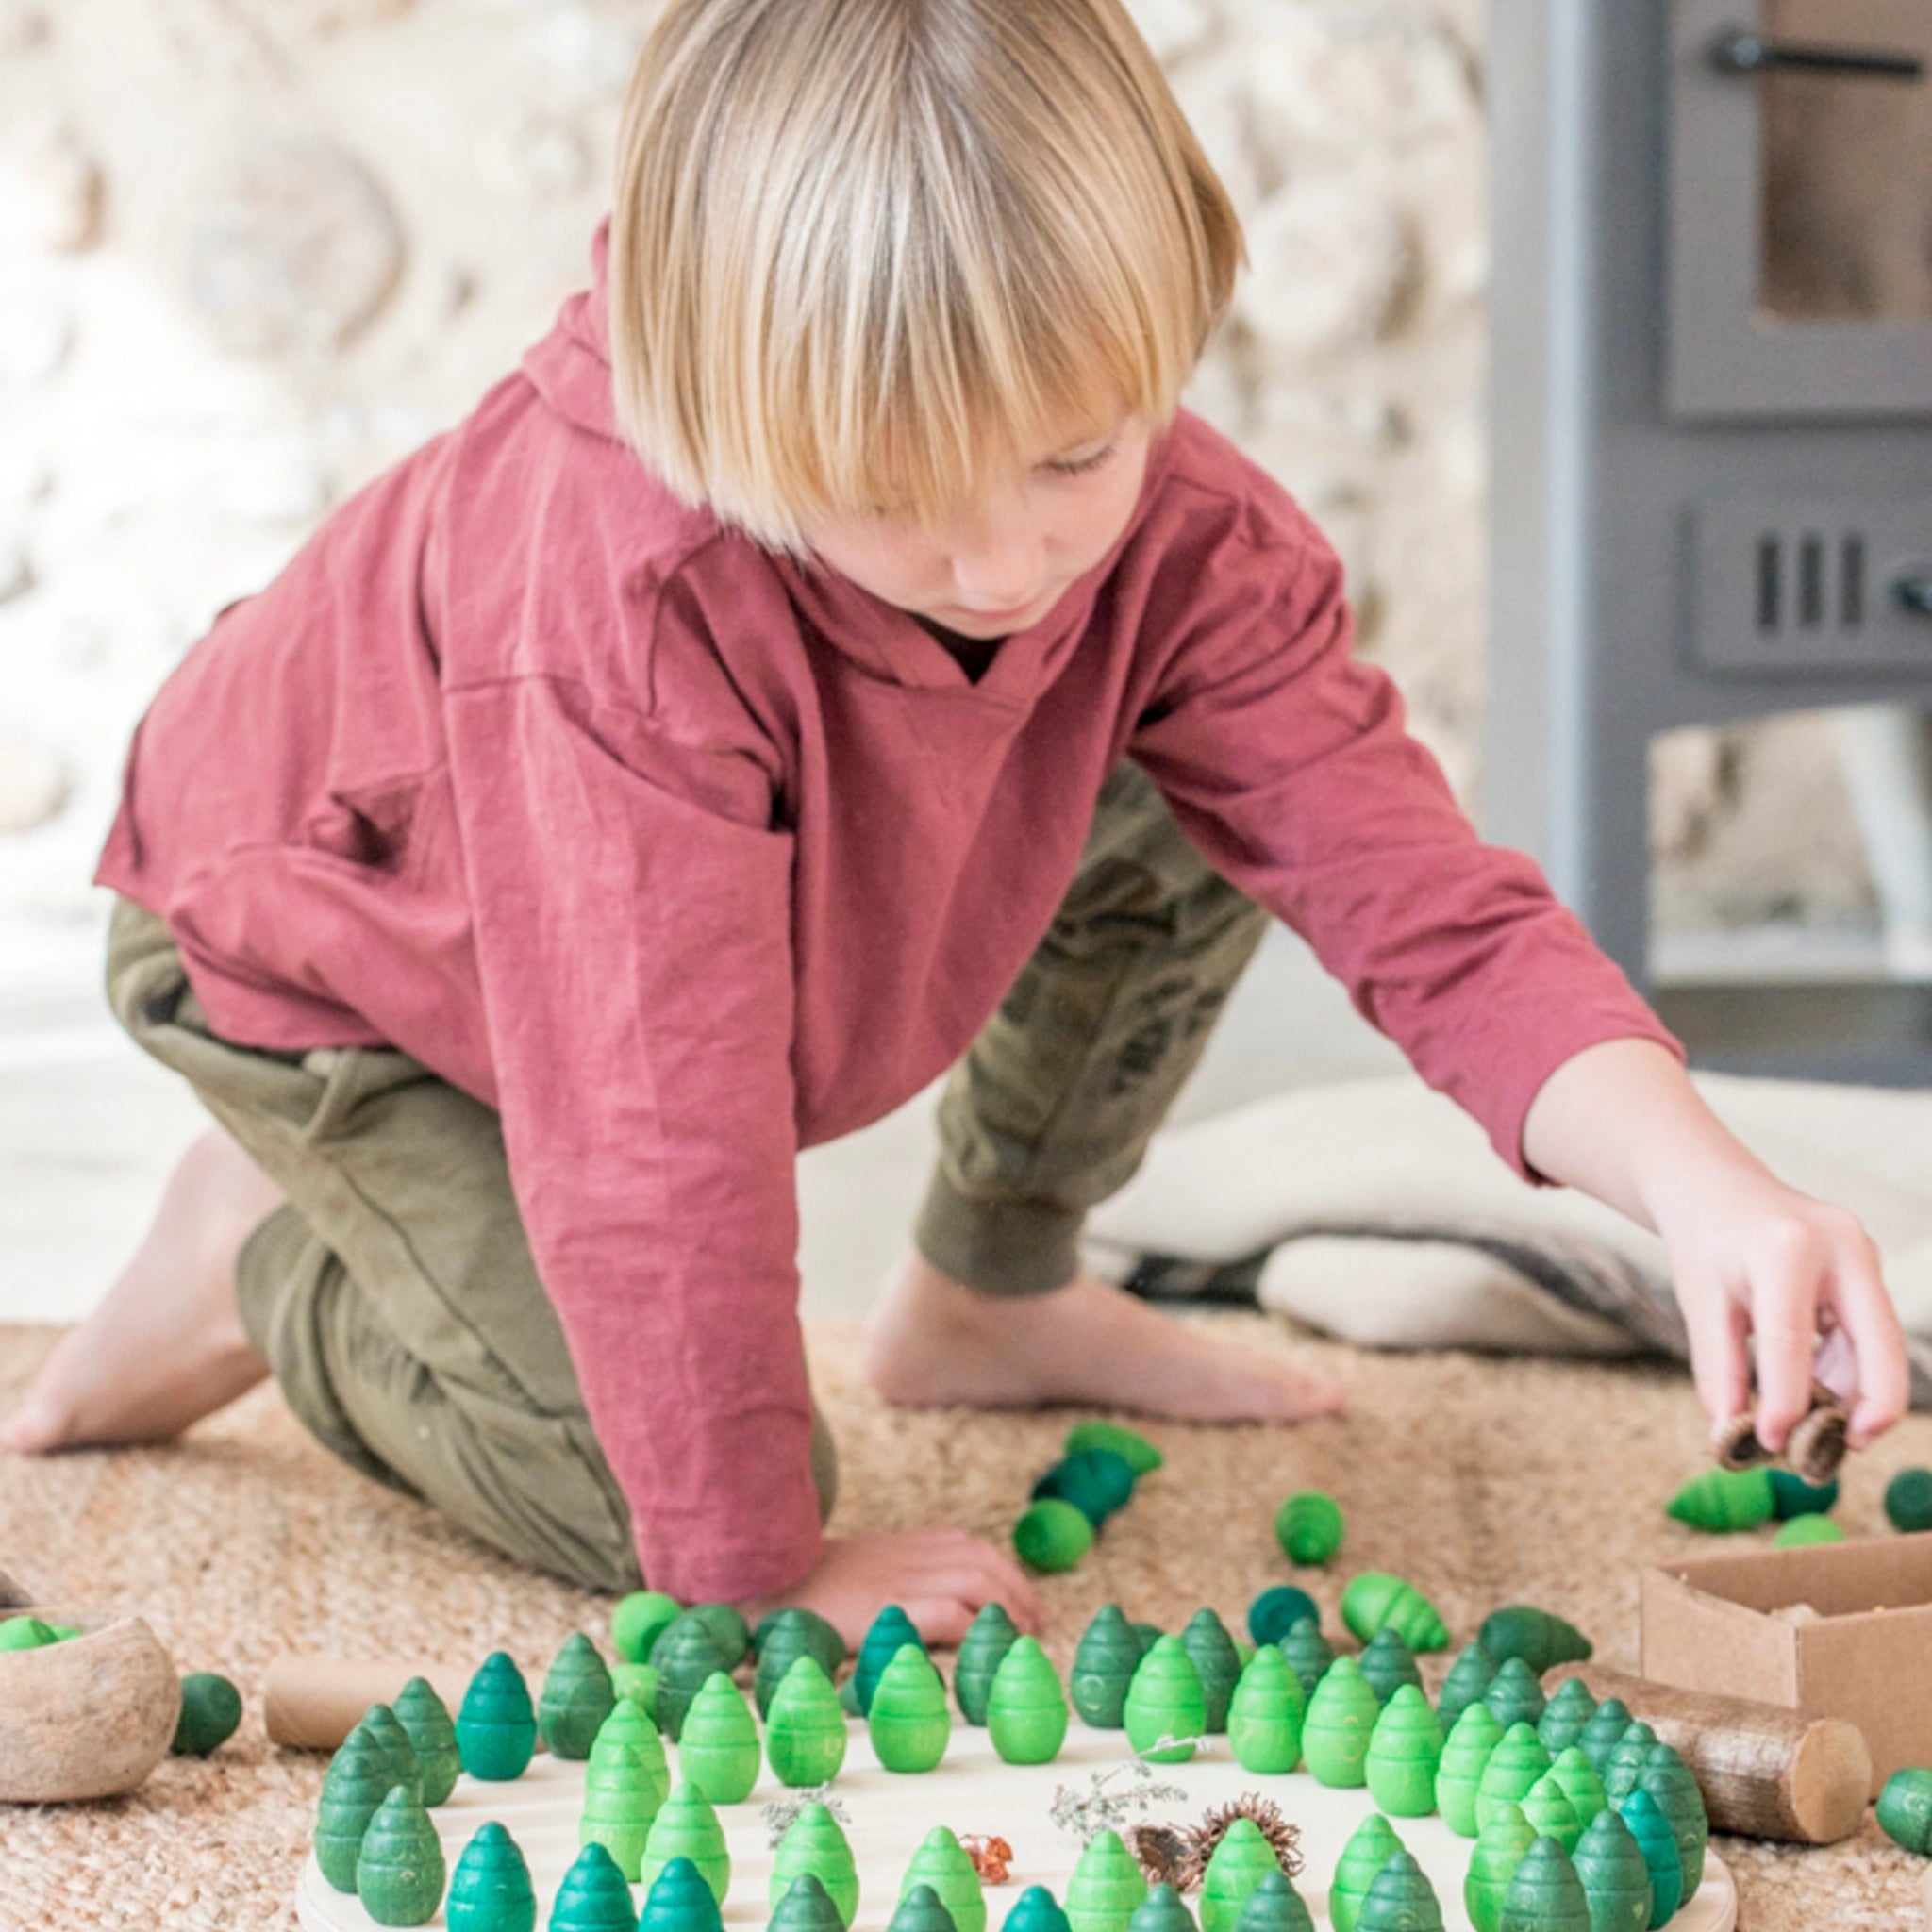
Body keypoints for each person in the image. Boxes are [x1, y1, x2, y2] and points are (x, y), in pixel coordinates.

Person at [1, 0, 1907, 1646]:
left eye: (1075, 450)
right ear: (718, 404)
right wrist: (752, 1579)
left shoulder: (1183, 545)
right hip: (335, 955)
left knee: (1198, 791)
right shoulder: (613, 602)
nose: (1005, 558)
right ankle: (268, 1246)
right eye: (894, 490)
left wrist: (1700, 1185)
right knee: (658, 1505)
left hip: (648, 961)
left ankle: (987, 1292)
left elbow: (1414, 896)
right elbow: (656, 1133)